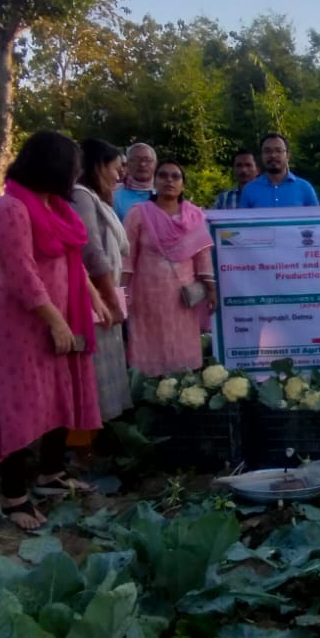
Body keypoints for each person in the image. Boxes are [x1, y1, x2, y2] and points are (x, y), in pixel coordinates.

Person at [0, 131, 104, 529]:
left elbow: (72, 262)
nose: (78, 174)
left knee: (61, 395)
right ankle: (13, 496)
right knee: (20, 405)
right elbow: (21, 274)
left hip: (63, 319)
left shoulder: (57, 209)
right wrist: (55, 319)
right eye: (74, 167)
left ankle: (52, 473)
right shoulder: (11, 208)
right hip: (23, 326)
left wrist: (95, 299)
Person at [124, 159, 217, 375]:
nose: (169, 180)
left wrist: (211, 290)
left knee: (182, 346)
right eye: (163, 175)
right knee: (148, 346)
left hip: (183, 297)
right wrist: (120, 294)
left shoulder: (193, 216)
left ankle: (181, 392)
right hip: (146, 297)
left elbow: (202, 257)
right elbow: (126, 258)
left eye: (175, 176)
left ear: (183, 185)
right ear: (154, 182)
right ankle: (147, 391)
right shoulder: (138, 213)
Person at [71, 138, 135, 427]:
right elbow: (90, 250)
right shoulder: (81, 195)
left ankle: (95, 449)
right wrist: (108, 298)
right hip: (92, 299)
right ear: (99, 166)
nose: (120, 174)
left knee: (104, 382)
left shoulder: (95, 198)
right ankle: (83, 453)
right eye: (116, 167)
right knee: (90, 383)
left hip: (105, 295)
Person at [240, 133, 320, 208]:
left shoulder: (305, 188)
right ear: (261, 156)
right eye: (267, 151)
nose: (273, 155)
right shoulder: (249, 190)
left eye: (278, 151)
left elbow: (316, 221)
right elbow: (243, 222)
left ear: (288, 156)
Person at [113, 143, 158, 221]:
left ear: (156, 164)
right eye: (135, 160)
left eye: (147, 160)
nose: (142, 164)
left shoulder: (165, 192)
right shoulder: (114, 196)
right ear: (127, 164)